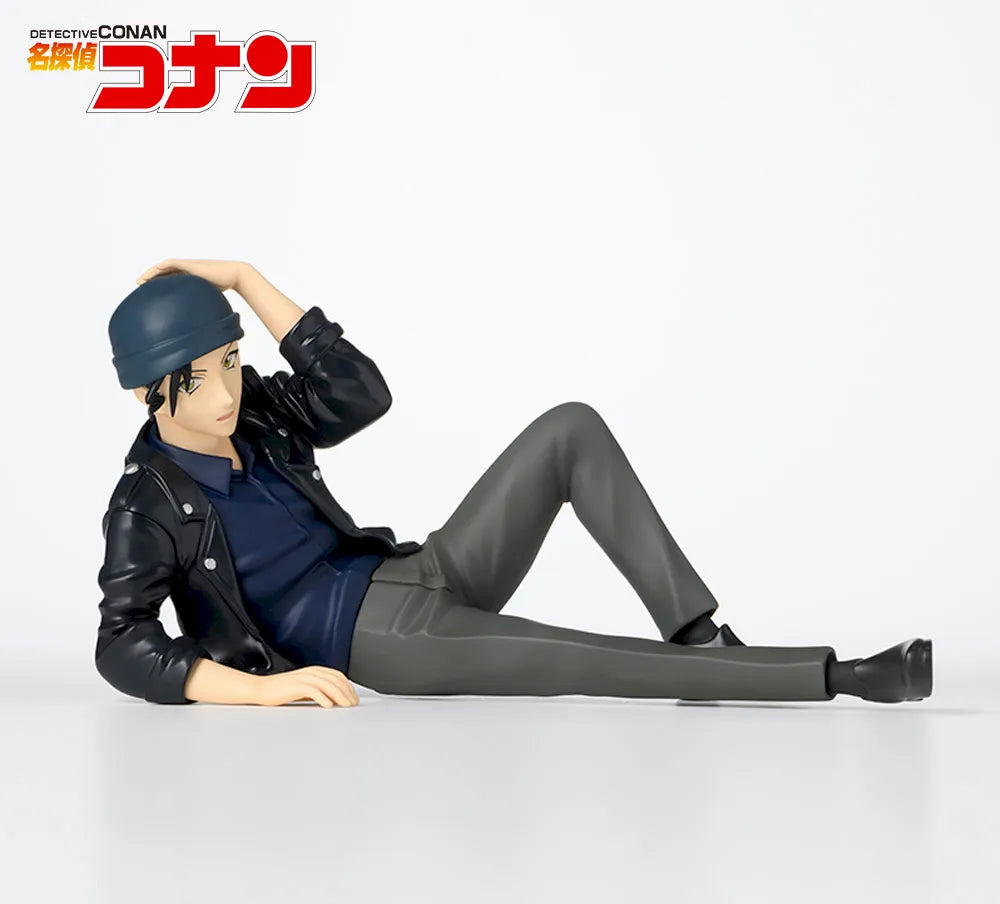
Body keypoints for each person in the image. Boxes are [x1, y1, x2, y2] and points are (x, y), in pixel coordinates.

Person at [96, 258, 932, 708]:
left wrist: (247, 279)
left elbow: (358, 394)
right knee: (585, 660)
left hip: (416, 571)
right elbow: (122, 642)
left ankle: (701, 636)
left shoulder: (255, 417)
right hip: (384, 641)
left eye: (232, 360)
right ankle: (843, 676)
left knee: (570, 428)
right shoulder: (147, 503)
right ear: (147, 394)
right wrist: (260, 691)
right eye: (198, 378)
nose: (227, 391)